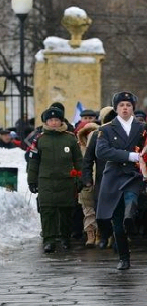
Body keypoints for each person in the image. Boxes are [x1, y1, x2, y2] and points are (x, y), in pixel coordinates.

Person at [95, 92, 147, 270]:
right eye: (122, 105)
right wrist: (129, 155)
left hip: (133, 174)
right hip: (114, 175)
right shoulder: (106, 129)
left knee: (131, 195)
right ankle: (124, 258)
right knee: (117, 221)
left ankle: (130, 215)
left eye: (128, 105)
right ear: (116, 108)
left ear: (133, 108)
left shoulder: (142, 128)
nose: (125, 108)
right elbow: (101, 152)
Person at [27, 107, 83, 253]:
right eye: (51, 120)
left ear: (61, 121)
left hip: (66, 181)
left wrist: (80, 178)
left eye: (56, 120)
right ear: (46, 122)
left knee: (66, 211)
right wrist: (31, 181)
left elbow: (78, 160)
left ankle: (65, 238)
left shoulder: (70, 138)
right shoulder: (39, 139)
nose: (53, 123)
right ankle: (49, 240)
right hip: (46, 181)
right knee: (47, 211)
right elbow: (33, 163)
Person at [82, 106, 116, 249]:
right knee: (101, 210)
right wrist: (87, 178)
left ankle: (116, 236)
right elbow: (88, 159)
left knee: (119, 210)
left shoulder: (125, 134)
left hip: (121, 178)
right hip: (102, 179)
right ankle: (105, 234)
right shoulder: (97, 135)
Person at [76, 119, 100, 248]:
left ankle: (99, 234)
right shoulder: (79, 148)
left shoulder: (100, 147)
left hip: (100, 182)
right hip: (86, 183)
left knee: (100, 210)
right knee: (88, 210)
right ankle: (90, 233)